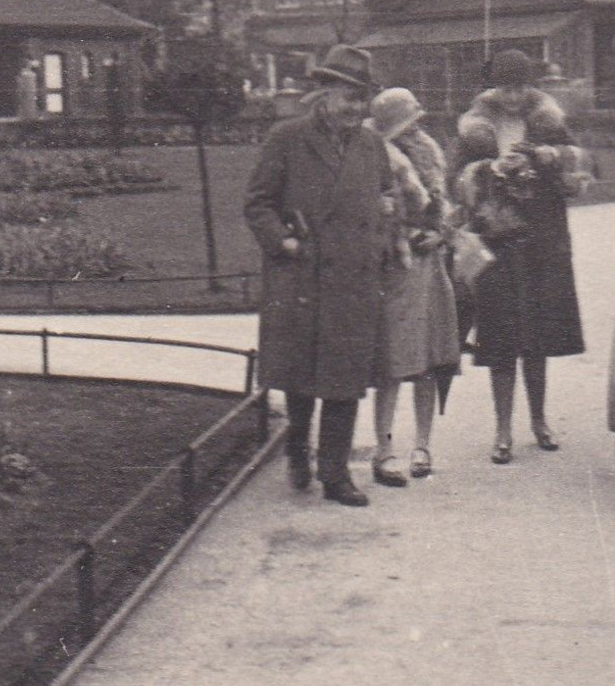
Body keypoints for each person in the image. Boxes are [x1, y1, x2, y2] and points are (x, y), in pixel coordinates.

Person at [244, 45, 394, 507]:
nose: (355, 107)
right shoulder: (287, 138)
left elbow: (387, 196)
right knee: (301, 378)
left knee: (345, 380)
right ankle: (296, 449)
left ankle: (335, 474)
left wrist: (383, 233)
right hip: (302, 278)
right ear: (323, 93)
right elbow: (257, 203)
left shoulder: (371, 145)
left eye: (361, 98)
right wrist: (284, 243)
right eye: (347, 96)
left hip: (354, 279)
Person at [454, 49, 591, 464]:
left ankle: (539, 421)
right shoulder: (475, 127)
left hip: (542, 242)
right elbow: (455, 183)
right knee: (500, 338)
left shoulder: (549, 121)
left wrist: (547, 157)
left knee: (538, 336)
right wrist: (487, 172)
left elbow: (580, 168)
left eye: (520, 87)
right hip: (496, 242)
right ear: (492, 87)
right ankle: (502, 430)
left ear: (531, 87)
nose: (513, 97)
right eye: (505, 87)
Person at [365, 87, 460, 486]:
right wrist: (400, 233)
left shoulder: (428, 153)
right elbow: (372, 213)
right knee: (392, 361)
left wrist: (440, 234)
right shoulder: (373, 156)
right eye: (407, 123)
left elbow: (446, 208)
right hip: (395, 268)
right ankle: (384, 448)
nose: (415, 130)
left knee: (429, 359)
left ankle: (423, 445)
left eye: (416, 122)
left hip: (430, 266)